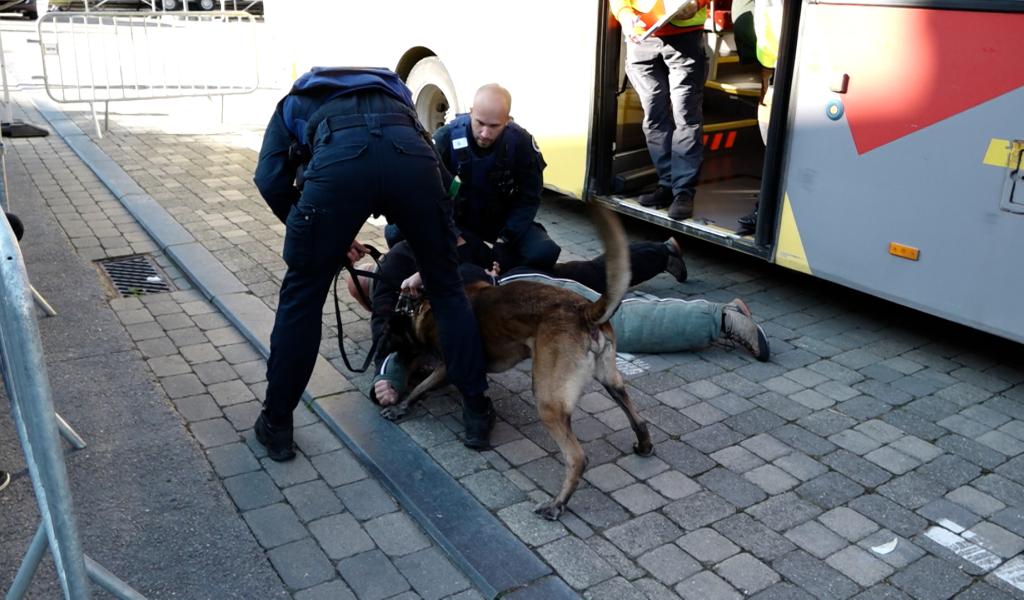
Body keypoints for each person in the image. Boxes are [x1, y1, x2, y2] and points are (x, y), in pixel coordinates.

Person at [252, 67, 492, 457]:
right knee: (447, 290)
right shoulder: (399, 103)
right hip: (410, 162)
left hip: (338, 169)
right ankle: (478, 412)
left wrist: (312, 231)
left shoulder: (294, 103)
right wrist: (439, 235)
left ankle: (276, 423)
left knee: (302, 297)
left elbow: (269, 178)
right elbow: (447, 183)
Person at [370, 261, 769, 406]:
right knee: (594, 276)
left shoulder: (405, 259)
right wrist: (389, 375)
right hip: (511, 291)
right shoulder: (395, 290)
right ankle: (660, 251)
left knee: (614, 320)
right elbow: (387, 339)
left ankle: (720, 317)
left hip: (513, 284)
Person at [388, 84, 561, 272]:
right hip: (456, 219)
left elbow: (529, 198)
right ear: (471, 113)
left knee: (545, 251)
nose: (485, 133)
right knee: (396, 231)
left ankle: (507, 280)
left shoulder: (520, 143)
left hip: (501, 222)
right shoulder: (446, 138)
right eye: (480, 123)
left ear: (508, 120)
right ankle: (418, 280)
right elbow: (422, 194)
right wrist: (453, 234)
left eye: (494, 126)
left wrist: (506, 239)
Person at [612, 0, 709, 220]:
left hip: (684, 37)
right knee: (654, 115)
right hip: (640, 37)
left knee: (685, 116)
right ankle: (667, 184)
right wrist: (624, 13)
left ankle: (682, 192)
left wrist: (698, 3)